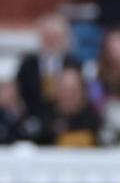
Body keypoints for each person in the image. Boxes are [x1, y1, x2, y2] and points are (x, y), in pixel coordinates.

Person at [14, 13, 81, 144]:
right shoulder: (28, 65)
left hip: (68, 123)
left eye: (54, 37)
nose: (50, 41)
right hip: (34, 120)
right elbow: (20, 95)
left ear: (63, 39)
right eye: (46, 36)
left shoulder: (73, 63)